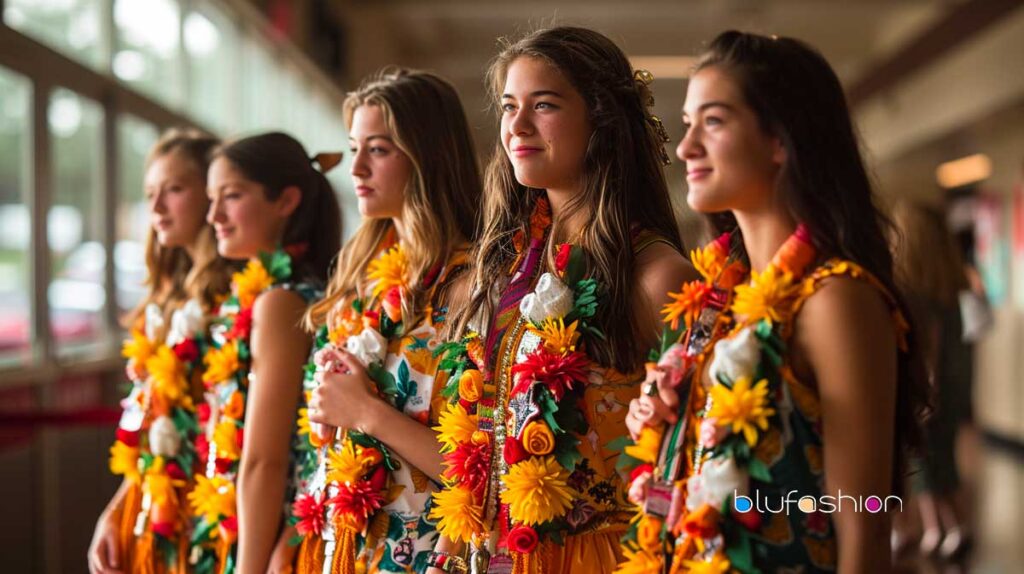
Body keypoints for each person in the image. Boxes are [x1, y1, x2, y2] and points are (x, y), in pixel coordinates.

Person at [621, 31, 927, 573]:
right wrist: (666, 414)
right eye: (688, 124)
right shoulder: (717, 299)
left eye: (712, 122)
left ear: (780, 140)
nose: (687, 147)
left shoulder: (835, 298)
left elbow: (865, 517)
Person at [426, 26, 696, 574]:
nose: (517, 126)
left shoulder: (657, 276)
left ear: (602, 121)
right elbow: (484, 432)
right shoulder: (505, 271)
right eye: (508, 107)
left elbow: (694, 461)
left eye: (543, 105)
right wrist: (450, 550)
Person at [286, 68, 481, 574]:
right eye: (354, 149)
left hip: (427, 553)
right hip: (344, 544)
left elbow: (487, 467)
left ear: (426, 156)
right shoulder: (360, 280)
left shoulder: (473, 285)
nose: (356, 168)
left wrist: (366, 413)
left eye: (378, 149)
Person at [187, 132, 342, 574]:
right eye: (212, 198)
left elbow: (265, 460)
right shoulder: (274, 296)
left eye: (231, 196)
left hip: (272, 538)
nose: (213, 214)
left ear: (286, 200)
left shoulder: (280, 303)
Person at [89, 128, 232, 574]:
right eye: (151, 192)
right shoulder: (166, 300)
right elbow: (153, 427)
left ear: (211, 193)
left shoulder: (236, 301)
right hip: (161, 505)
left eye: (173, 189)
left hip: (217, 514)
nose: (155, 208)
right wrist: (117, 509)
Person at [892, 201, 972, 559]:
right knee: (940, 461)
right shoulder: (950, 293)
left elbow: (930, 354)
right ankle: (944, 528)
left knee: (927, 462)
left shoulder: (917, 295)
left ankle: (949, 528)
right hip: (955, 390)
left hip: (932, 391)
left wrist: (927, 392)